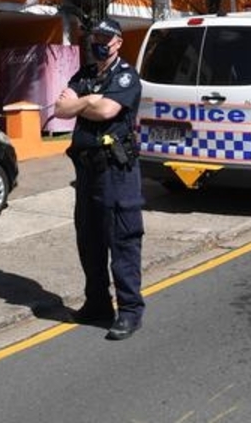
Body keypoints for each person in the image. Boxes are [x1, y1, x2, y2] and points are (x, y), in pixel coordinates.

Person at [54, 17, 145, 340]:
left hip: (115, 172)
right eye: (95, 37)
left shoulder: (125, 76)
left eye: (105, 38)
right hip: (86, 171)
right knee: (89, 239)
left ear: (118, 42)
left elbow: (107, 111)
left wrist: (81, 103)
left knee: (122, 240)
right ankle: (97, 303)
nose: (98, 43)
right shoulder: (85, 75)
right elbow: (60, 109)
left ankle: (130, 311)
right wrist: (87, 101)